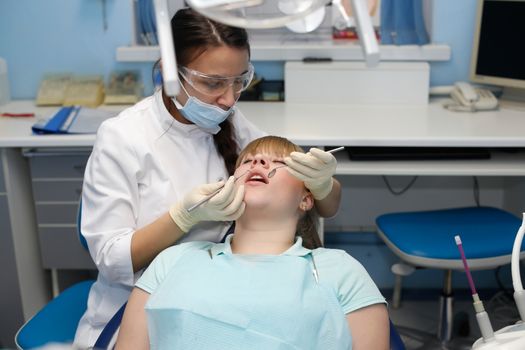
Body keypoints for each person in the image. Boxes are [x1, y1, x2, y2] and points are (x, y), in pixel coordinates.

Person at [74, 8, 342, 347]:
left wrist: (324, 185)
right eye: (213, 83)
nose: (229, 99)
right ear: (171, 72)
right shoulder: (123, 137)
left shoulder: (234, 123)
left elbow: (325, 206)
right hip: (137, 311)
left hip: (215, 301)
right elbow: (113, 262)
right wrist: (183, 217)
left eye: (240, 80)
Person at [115, 136, 389, 350]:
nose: (258, 163)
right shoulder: (174, 259)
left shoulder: (339, 271)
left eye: (279, 163)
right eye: (247, 161)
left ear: (306, 198)